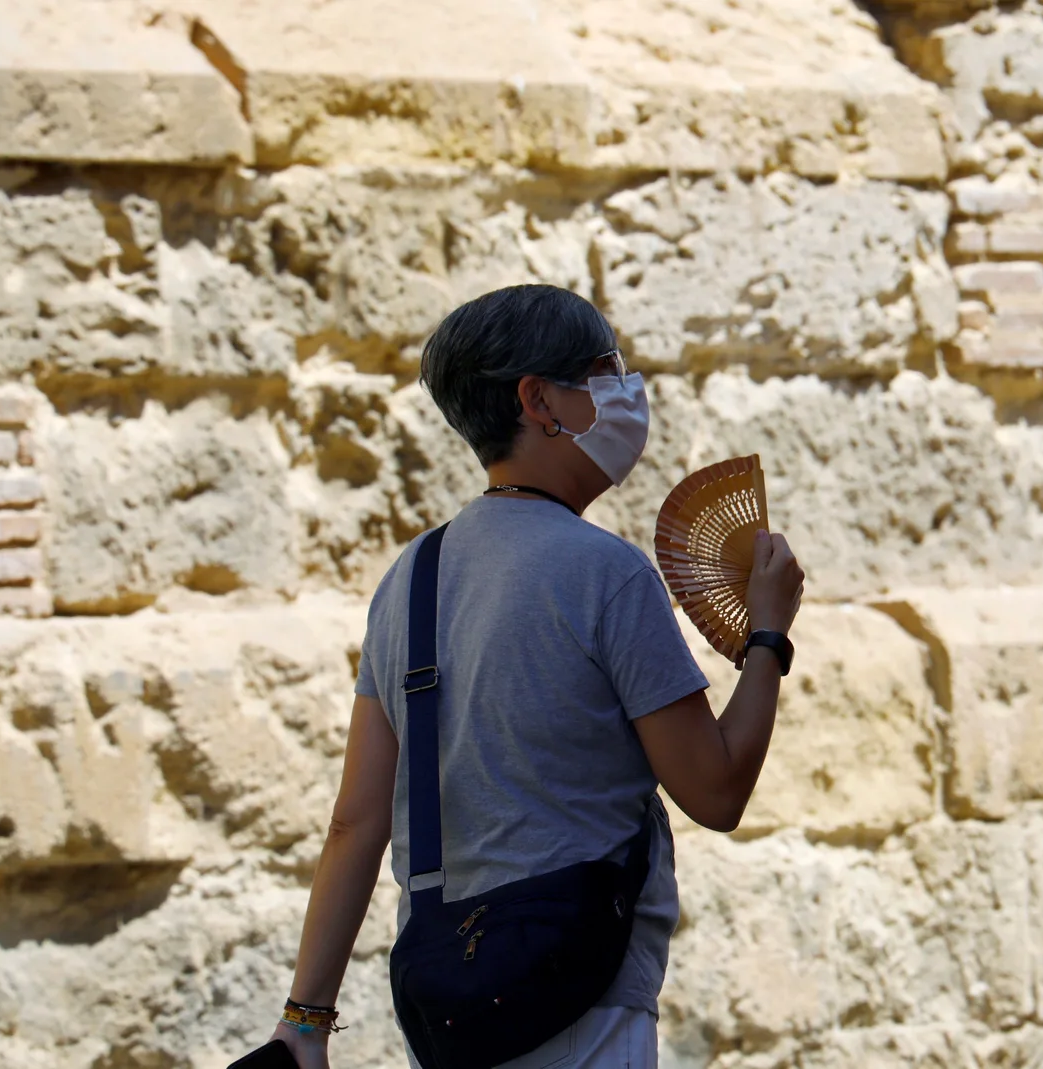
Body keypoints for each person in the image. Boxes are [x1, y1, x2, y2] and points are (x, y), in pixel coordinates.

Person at [263, 284, 805, 1068]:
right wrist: (767, 634)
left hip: (452, 1000)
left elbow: (356, 821)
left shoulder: (409, 579)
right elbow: (715, 792)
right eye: (606, 369)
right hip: (578, 998)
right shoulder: (606, 574)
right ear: (539, 398)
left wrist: (305, 1023)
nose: (628, 390)